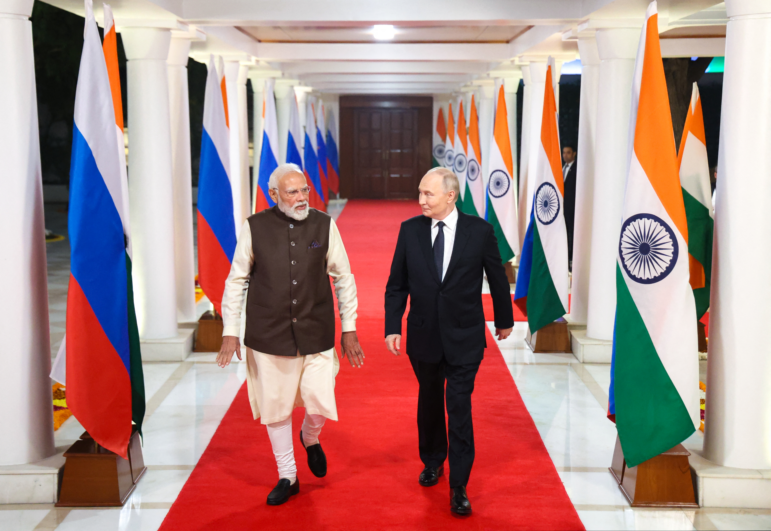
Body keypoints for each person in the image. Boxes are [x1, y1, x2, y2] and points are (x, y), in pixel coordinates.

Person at [217, 163, 365, 506]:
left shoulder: (324, 224)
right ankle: (288, 476)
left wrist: (350, 327)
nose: (301, 197)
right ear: (274, 194)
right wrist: (230, 331)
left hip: (316, 330)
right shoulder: (254, 227)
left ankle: (310, 436)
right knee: (277, 406)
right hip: (269, 334)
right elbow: (237, 280)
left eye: (304, 190)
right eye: (292, 191)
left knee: (320, 399)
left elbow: (344, 277)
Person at [384, 168, 514, 515]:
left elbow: (496, 277)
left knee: (458, 406)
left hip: (465, 336)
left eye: (428, 194)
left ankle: (459, 484)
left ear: (450, 196)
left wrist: (504, 320)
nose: (421, 200)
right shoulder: (410, 230)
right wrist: (392, 326)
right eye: (420, 193)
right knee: (429, 401)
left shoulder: (479, 231)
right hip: (423, 334)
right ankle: (432, 461)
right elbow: (397, 283)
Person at [561, 145, 577, 268]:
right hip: (562, 208)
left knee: (571, 233)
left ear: (574, 154)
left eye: (568, 152)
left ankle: (571, 258)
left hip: (572, 208)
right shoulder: (562, 168)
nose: (565, 155)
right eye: (564, 153)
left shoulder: (577, 169)